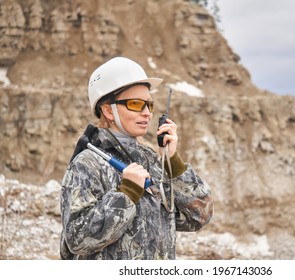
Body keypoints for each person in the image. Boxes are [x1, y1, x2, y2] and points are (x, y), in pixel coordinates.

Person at [60, 57, 213, 260]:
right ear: (108, 110)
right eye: (136, 104)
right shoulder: (87, 164)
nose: (147, 113)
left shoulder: (152, 161)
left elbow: (198, 217)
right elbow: (77, 240)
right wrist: (127, 194)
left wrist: (172, 161)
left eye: (149, 104)